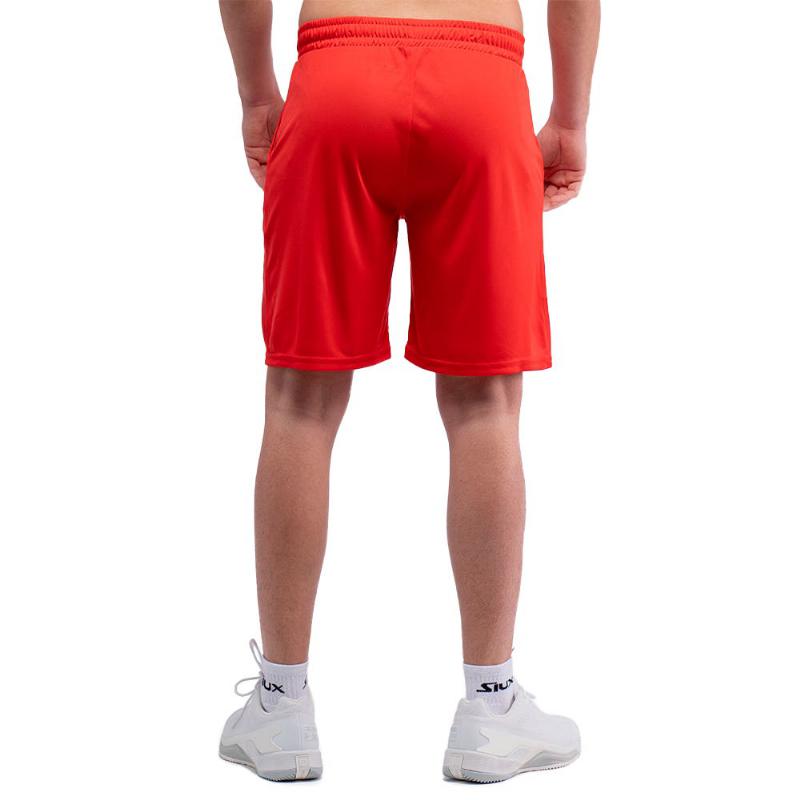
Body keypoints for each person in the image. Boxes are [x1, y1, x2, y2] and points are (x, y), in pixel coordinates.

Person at [217, 0, 599, 783]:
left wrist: (258, 94)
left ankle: (282, 708)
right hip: (481, 79)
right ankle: (490, 709)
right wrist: (568, 118)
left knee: (299, 402)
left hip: (336, 75)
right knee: (485, 405)